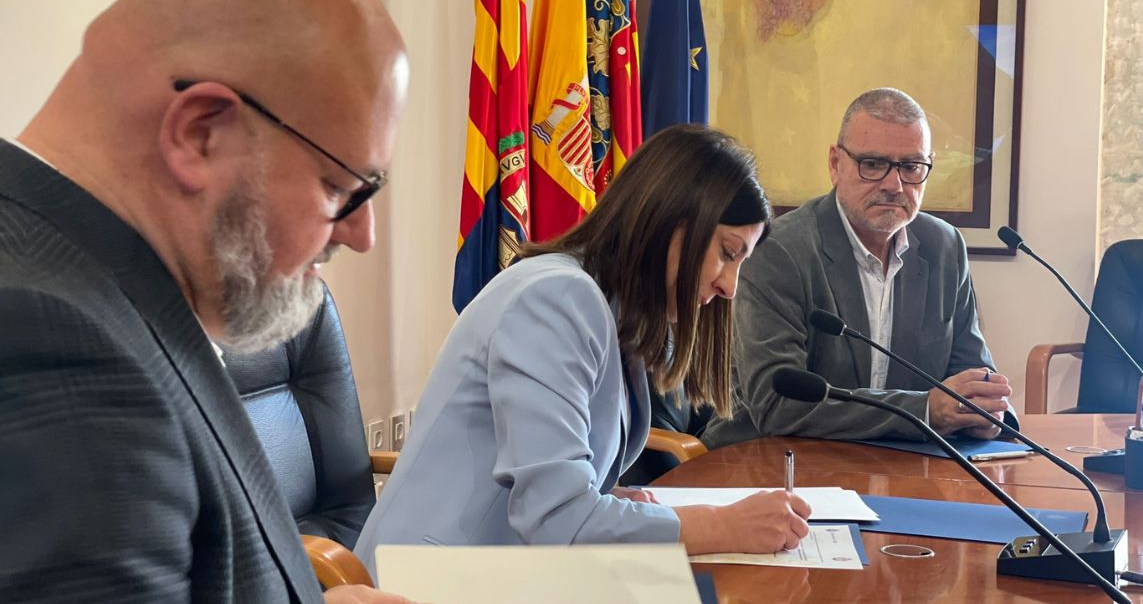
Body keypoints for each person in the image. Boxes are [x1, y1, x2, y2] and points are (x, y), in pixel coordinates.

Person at [0, 0, 417, 603]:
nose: (362, 233)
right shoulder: (55, 347)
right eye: (341, 188)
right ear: (201, 134)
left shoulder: (79, 282)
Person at [354, 125, 811, 577]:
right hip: (426, 580)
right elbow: (559, 521)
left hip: (502, 570)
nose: (730, 287)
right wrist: (723, 525)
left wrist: (613, 508)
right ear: (672, 223)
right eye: (728, 253)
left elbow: (559, 497)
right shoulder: (555, 299)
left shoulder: (610, 307)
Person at [703, 88, 1016, 448]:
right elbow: (778, 404)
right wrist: (924, 411)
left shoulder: (944, 247)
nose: (894, 185)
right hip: (769, 459)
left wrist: (984, 413)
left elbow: (971, 374)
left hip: (900, 462)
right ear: (835, 164)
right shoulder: (779, 250)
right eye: (873, 164)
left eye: (911, 167)